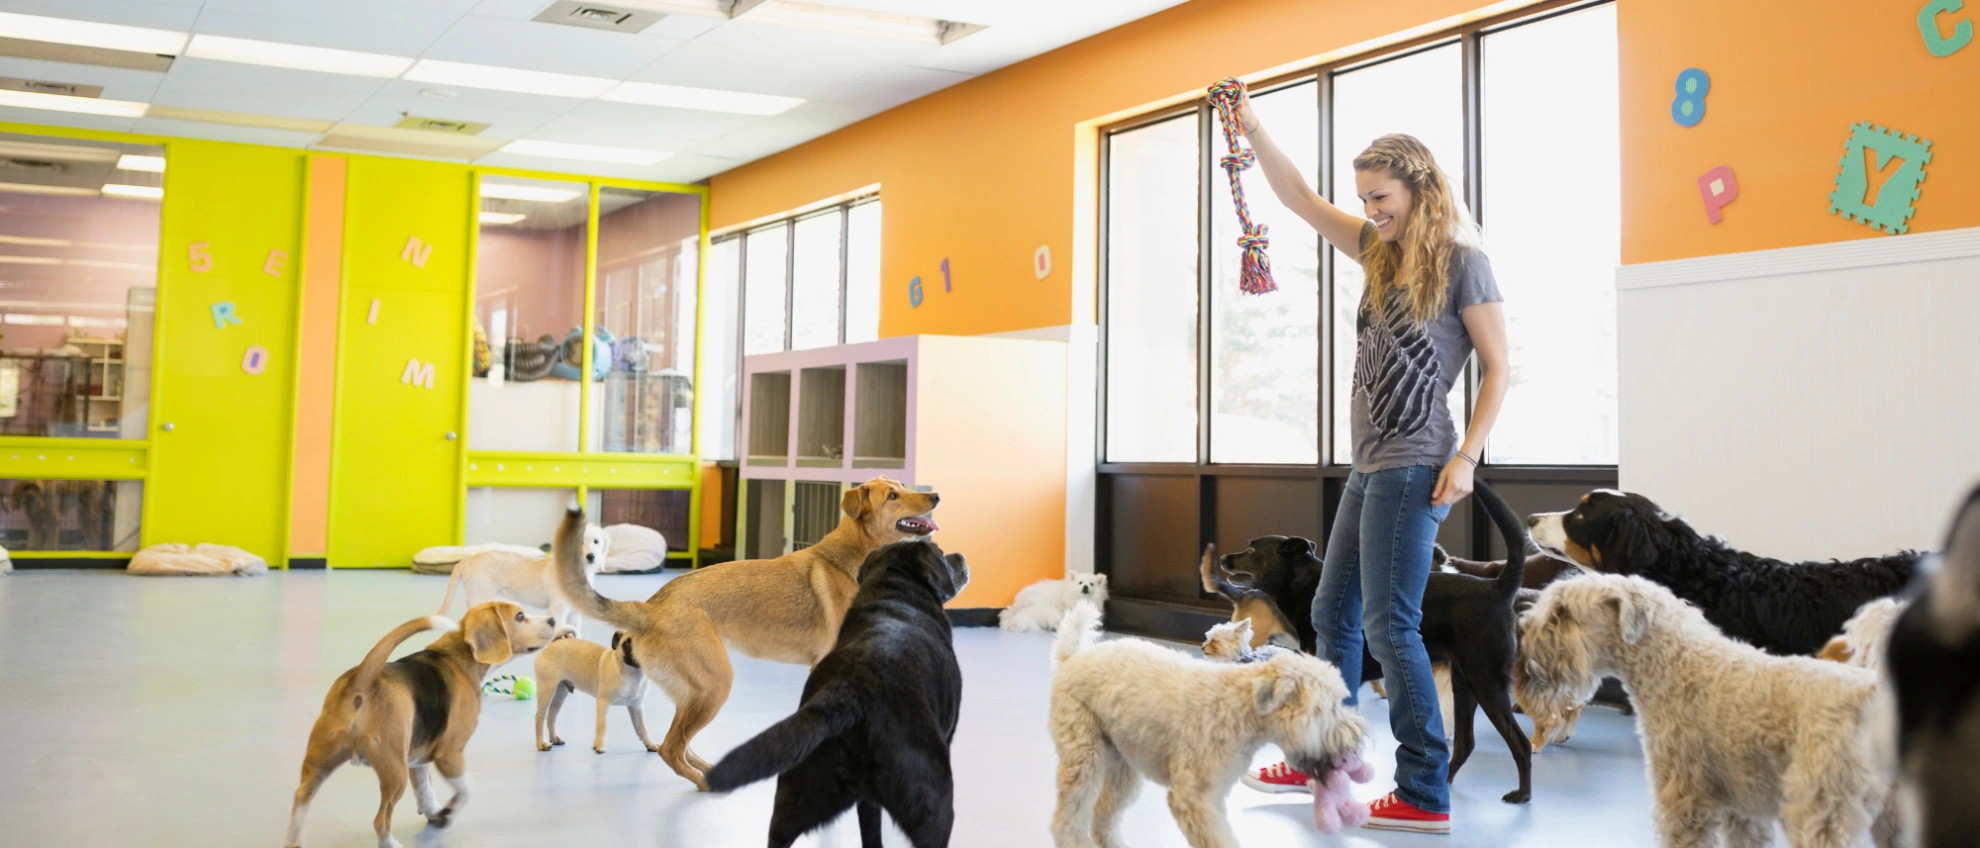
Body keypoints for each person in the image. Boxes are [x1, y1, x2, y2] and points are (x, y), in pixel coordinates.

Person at [1230, 90, 1509, 837]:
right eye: (1365, 199)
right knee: (1332, 613)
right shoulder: (1377, 253)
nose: (1371, 209)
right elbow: (1296, 197)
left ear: (1418, 187)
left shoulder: (1463, 264)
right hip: (1369, 464)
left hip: (1416, 463)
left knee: (1392, 628)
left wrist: (1469, 457)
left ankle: (1423, 790)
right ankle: (1326, 755)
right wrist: (1250, 125)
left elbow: (1500, 366)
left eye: (1380, 197)